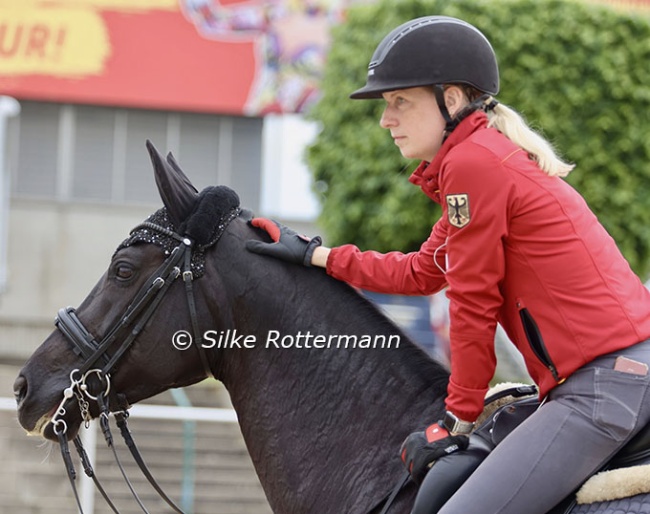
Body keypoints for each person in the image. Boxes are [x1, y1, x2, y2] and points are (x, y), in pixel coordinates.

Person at [246, 15, 650, 514]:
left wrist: (457, 418)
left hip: (601, 386)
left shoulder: (472, 165)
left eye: (399, 102)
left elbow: (472, 303)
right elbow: (423, 271)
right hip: (602, 378)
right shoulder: (478, 159)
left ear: (451, 99)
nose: (385, 119)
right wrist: (315, 254)